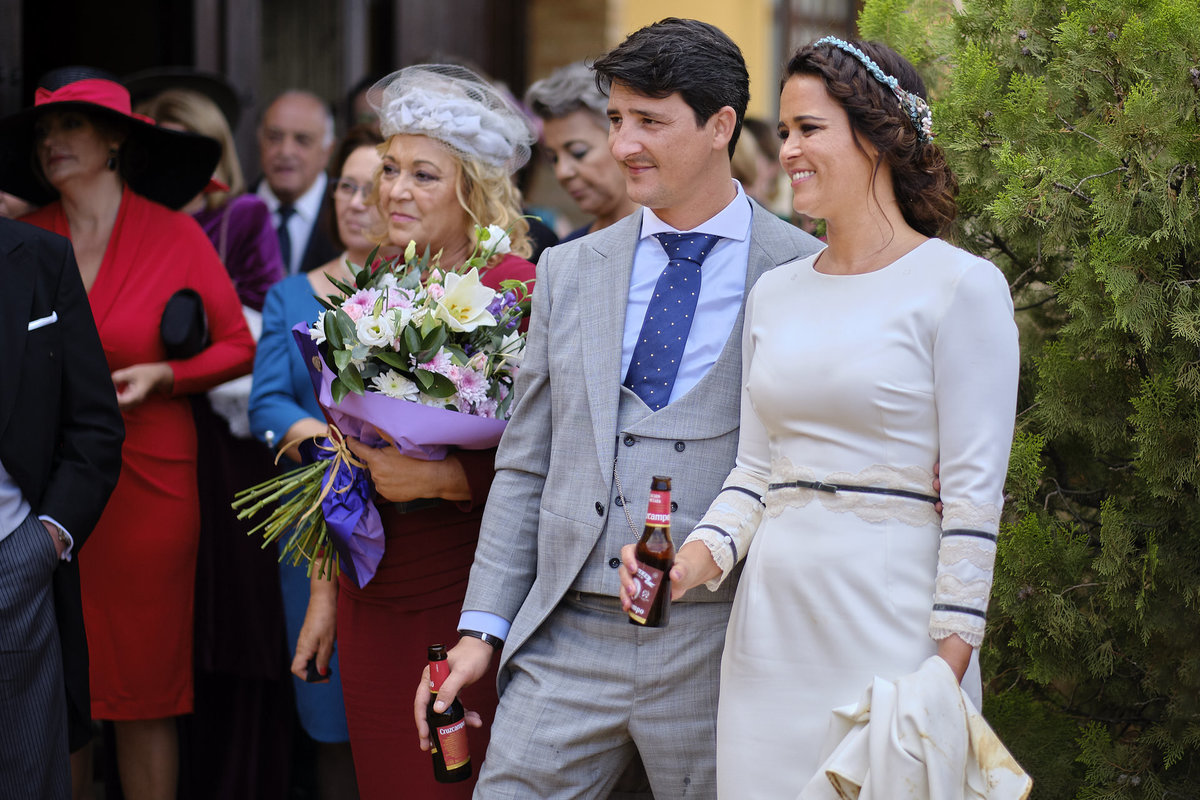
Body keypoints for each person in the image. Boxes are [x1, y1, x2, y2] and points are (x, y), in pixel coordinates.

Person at [416, 19, 823, 799]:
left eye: (650, 121)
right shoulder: (568, 270)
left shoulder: (803, 270)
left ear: (720, 126)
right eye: (615, 119)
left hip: (722, 641)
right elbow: (526, 465)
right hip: (568, 634)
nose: (623, 144)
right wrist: (480, 629)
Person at [621, 38, 1020, 798]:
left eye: (810, 129)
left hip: (895, 624)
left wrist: (947, 670)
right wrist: (686, 565)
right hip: (769, 629)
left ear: (877, 136)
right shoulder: (775, 292)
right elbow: (755, 472)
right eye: (785, 132)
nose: (788, 150)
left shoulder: (961, 287)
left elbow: (975, 500)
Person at [0, 66, 256, 800]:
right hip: (48, 491)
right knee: (55, 688)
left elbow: (239, 344)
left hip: (149, 487)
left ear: (114, 139)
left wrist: (165, 376)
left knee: (145, 690)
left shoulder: (173, 233)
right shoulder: (25, 239)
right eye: (43, 130)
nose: (52, 141)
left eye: (70, 125)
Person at [287, 64, 538, 799]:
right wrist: (325, 594)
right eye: (389, 169)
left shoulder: (519, 289)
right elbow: (344, 450)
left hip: (462, 590)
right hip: (369, 586)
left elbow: (553, 453)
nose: (393, 190)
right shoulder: (376, 280)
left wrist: (443, 477)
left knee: (450, 780)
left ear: (473, 190)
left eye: (423, 175)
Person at [135, 85, 294, 799]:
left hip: (229, 441)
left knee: (232, 611)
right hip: (153, 432)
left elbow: (260, 319)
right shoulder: (130, 225)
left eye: (181, 143)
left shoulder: (243, 215)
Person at [250, 125, 395, 800]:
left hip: (401, 511)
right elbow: (266, 402)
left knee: (393, 698)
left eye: (371, 188)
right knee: (328, 704)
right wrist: (329, 441)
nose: (356, 202)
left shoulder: (424, 298)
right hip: (312, 514)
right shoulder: (290, 294)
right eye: (345, 186)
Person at [0, 218, 124, 800]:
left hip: (13, 566)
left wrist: (44, 540)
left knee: (26, 778)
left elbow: (94, 423)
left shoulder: (41, 257)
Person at [525, 61, 638, 243]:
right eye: (553, 158)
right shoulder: (566, 250)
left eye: (578, 152)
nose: (562, 172)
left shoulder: (670, 240)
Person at [256, 90, 339, 275]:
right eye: (274, 137)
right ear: (260, 141)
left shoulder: (347, 212)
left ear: (328, 151)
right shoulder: (231, 212)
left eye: (302, 140)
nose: (286, 152)